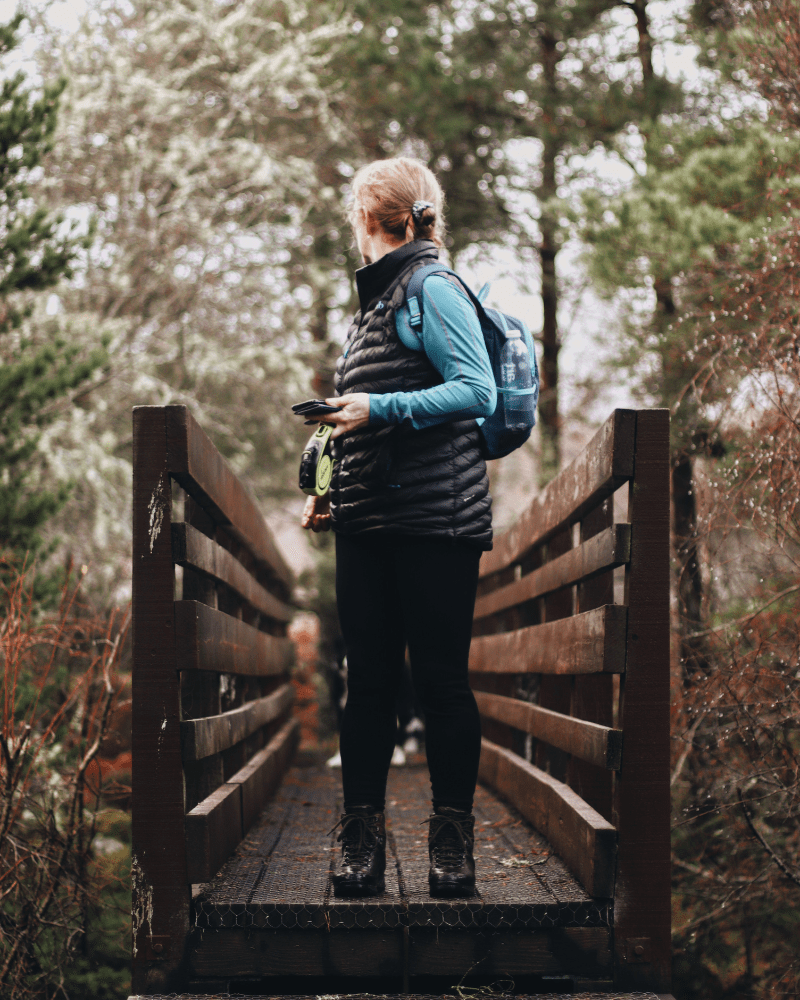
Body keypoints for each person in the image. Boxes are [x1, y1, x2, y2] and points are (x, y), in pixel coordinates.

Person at [301, 156, 499, 899]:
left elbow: (475, 390)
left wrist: (376, 410)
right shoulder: (373, 305)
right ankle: (362, 843)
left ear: (365, 219)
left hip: (438, 520)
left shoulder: (433, 288)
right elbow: (366, 410)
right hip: (367, 516)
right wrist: (323, 479)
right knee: (368, 684)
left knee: (442, 682)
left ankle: (451, 846)